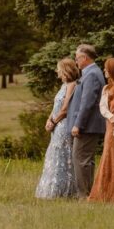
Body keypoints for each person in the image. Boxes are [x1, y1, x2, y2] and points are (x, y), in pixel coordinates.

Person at [35, 58, 79, 199]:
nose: (58, 73)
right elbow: (56, 106)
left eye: (60, 70)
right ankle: (52, 189)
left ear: (66, 70)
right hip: (56, 124)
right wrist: (49, 119)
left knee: (63, 156)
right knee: (54, 155)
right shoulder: (63, 85)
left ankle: (65, 190)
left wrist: (53, 121)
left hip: (63, 124)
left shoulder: (72, 85)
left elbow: (65, 109)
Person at [66, 44, 106, 198]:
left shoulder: (92, 75)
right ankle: (89, 193)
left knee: (81, 159)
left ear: (84, 58)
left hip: (87, 126)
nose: (76, 61)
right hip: (87, 126)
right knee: (85, 160)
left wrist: (78, 124)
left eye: (77, 58)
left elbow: (87, 103)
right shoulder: (89, 73)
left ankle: (84, 195)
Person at [89, 57, 114, 202]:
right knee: (108, 156)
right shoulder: (106, 88)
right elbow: (102, 107)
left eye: (107, 68)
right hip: (110, 126)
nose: (104, 71)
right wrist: (112, 119)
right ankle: (105, 191)